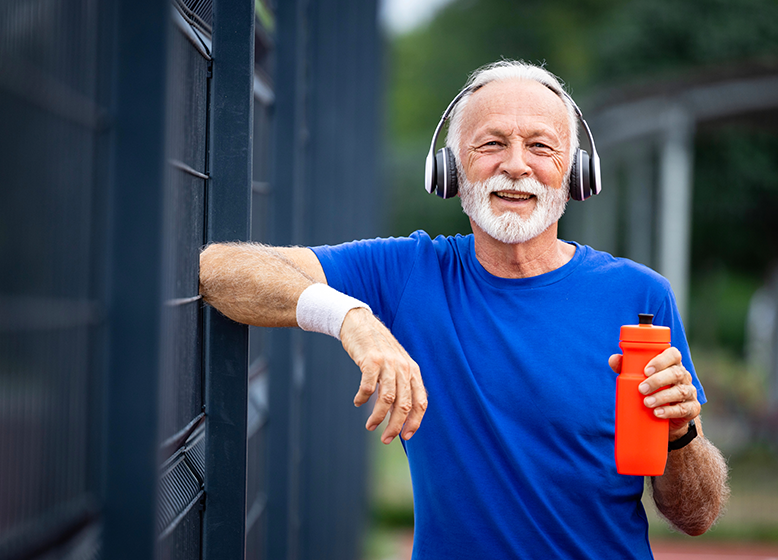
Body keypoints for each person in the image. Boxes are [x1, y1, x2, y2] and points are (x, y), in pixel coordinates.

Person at [199, 60, 729, 559]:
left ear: (575, 170)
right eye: (492, 144)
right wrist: (351, 319)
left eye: (541, 147)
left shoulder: (640, 297)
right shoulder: (409, 273)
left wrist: (681, 433)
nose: (516, 165)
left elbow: (696, 515)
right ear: (450, 169)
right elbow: (221, 269)